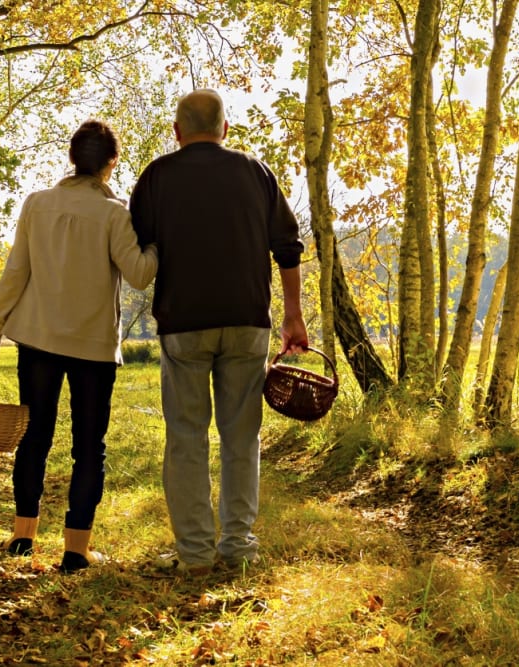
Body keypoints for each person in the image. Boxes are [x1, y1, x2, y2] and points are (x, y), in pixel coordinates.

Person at [129, 89, 308, 574]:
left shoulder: (157, 177)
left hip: (184, 324)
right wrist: (293, 314)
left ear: (177, 132)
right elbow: (287, 247)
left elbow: (137, 247)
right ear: (226, 128)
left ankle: (194, 554)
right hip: (247, 320)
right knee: (241, 439)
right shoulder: (256, 172)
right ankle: (238, 548)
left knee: (186, 438)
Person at [0, 120, 157, 573]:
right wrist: (157, 244)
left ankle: (22, 538)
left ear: (72, 157)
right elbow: (139, 273)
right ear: (111, 163)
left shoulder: (36, 204)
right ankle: (76, 550)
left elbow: (15, 272)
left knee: (33, 437)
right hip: (93, 348)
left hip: (37, 338)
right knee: (88, 448)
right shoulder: (115, 214)